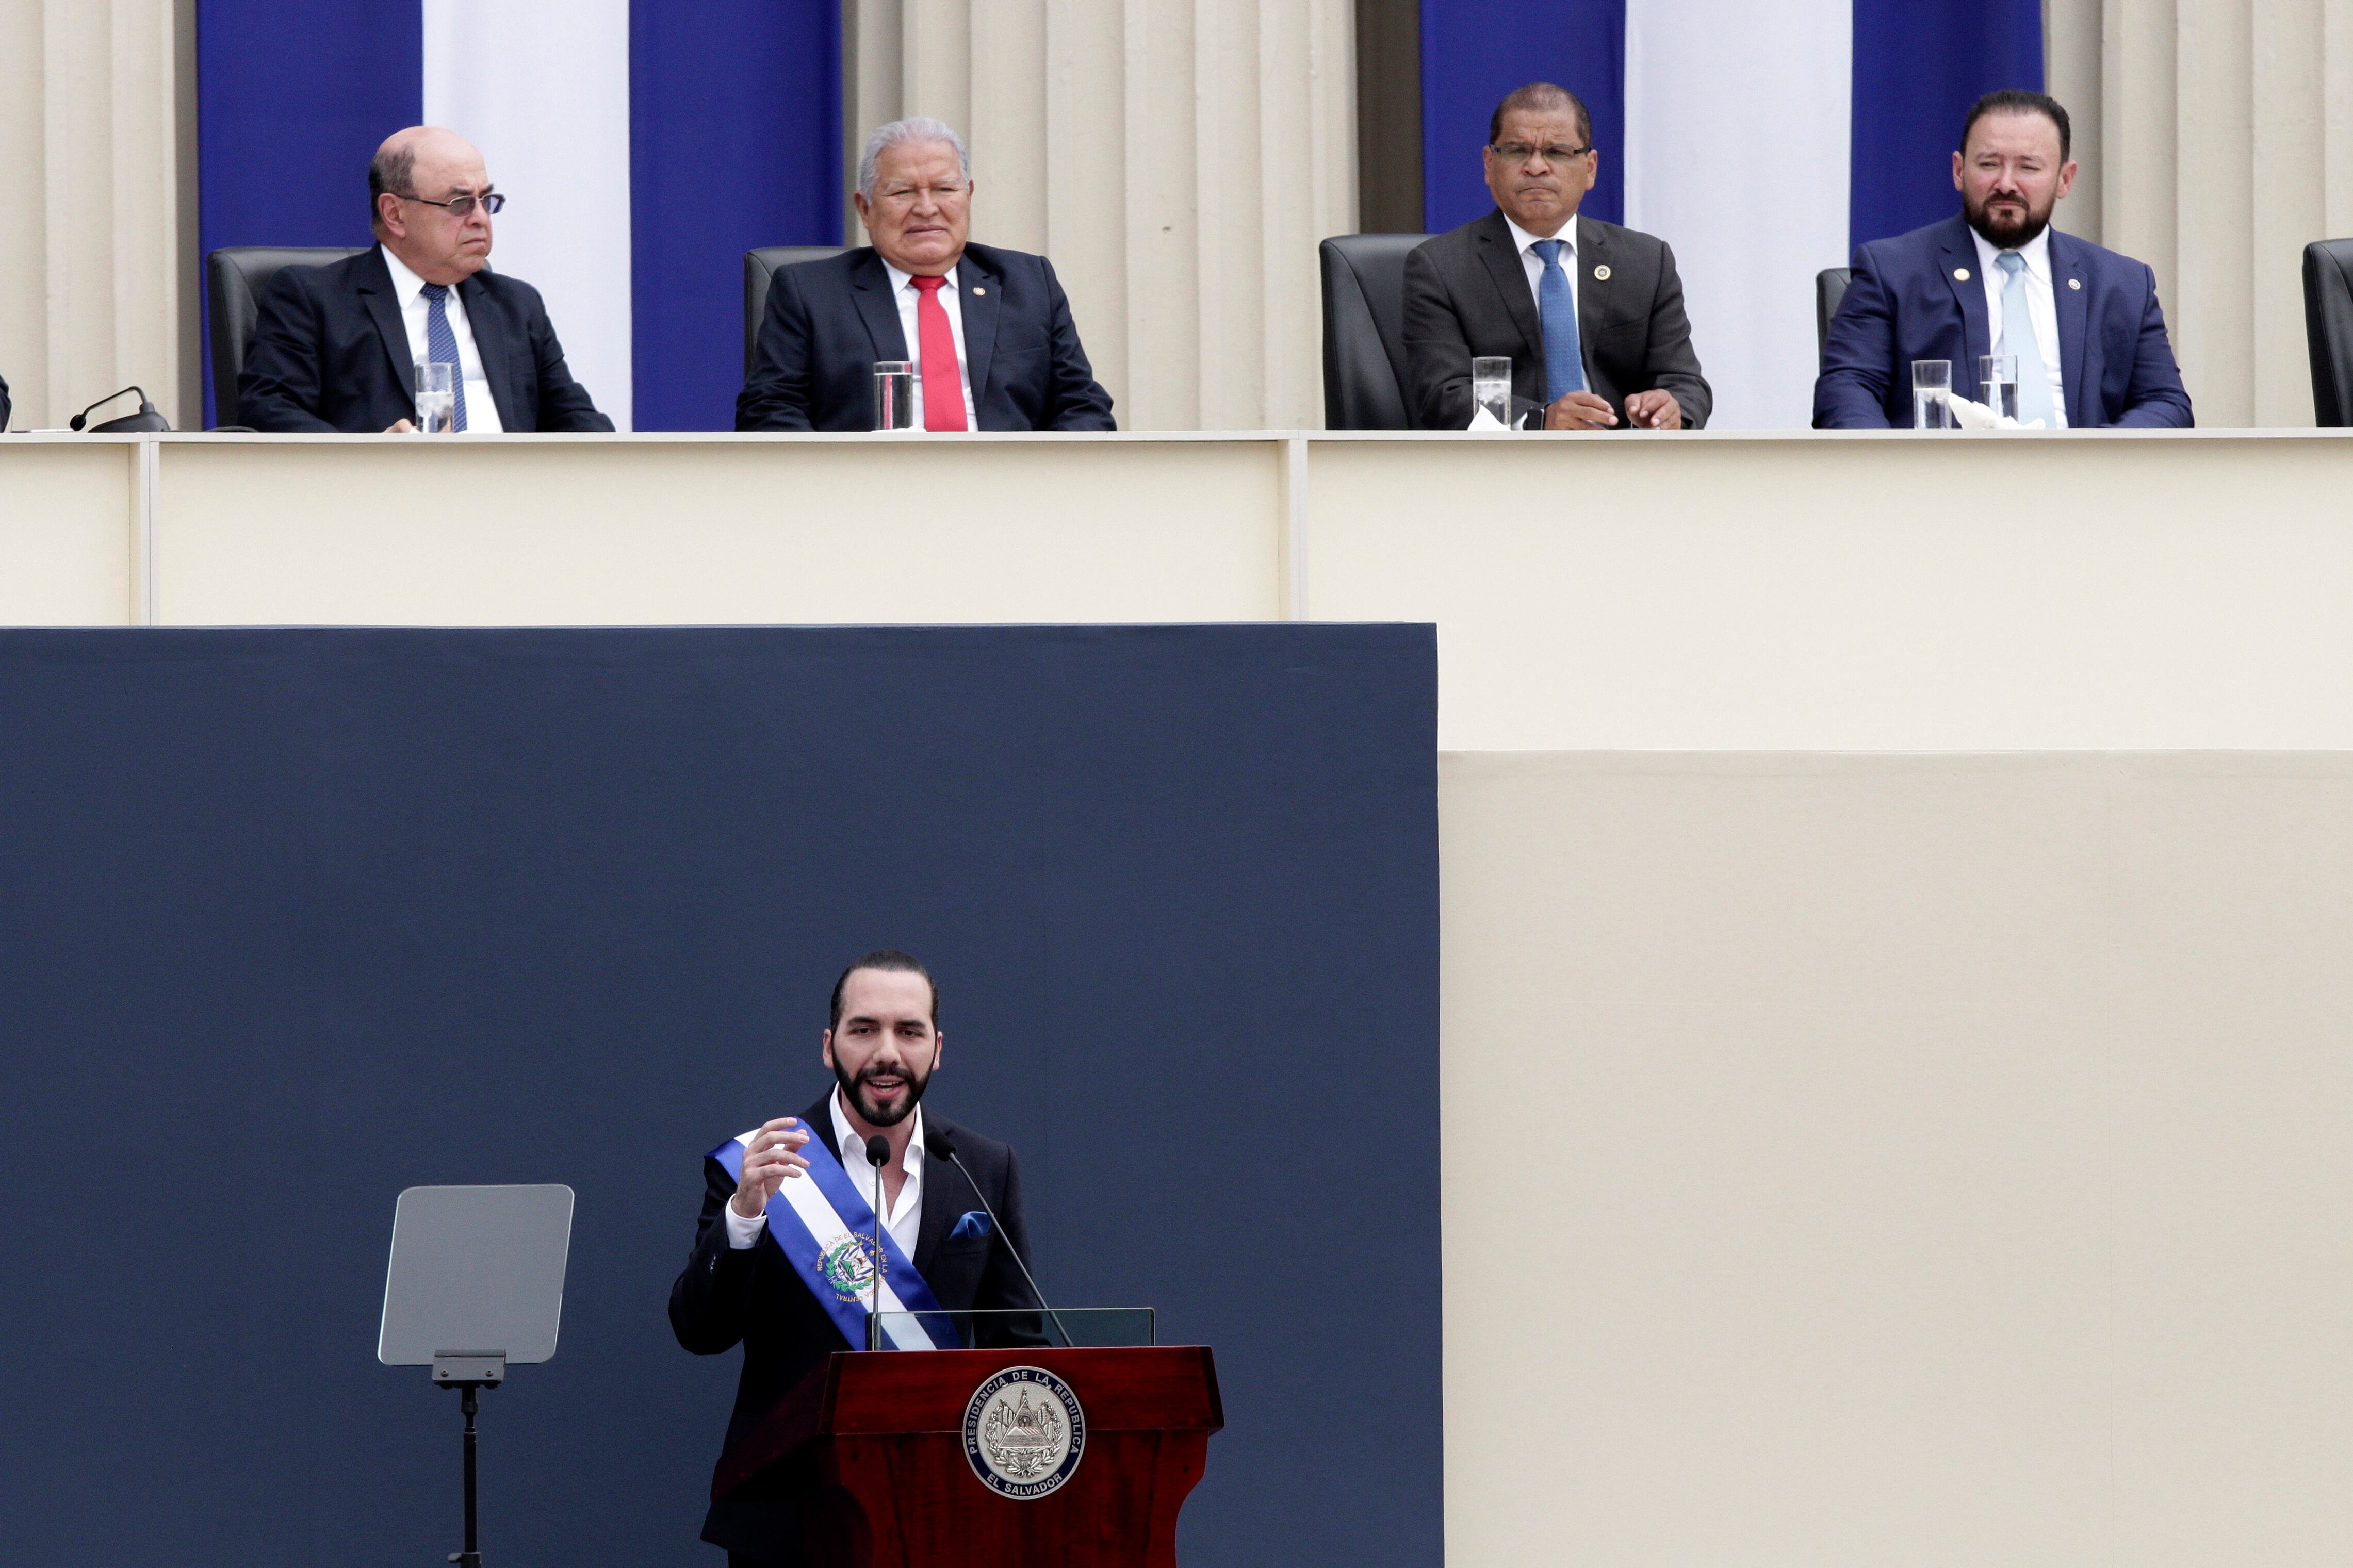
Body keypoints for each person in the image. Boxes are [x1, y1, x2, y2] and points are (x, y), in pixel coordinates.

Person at [669, 950, 1044, 1565]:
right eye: (864, 1028)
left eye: (909, 1030)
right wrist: (743, 1215)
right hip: (790, 1517)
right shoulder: (763, 1164)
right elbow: (698, 1330)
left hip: (942, 1504)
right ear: (829, 1045)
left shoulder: (982, 1167)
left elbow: (1020, 1341)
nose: (886, 1052)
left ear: (937, 1047)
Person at [1815, 90, 2193, 429]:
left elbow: (2166, 403)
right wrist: (1899, 473)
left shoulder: (2123, 282)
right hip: (1941, 489)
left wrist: (2097, 459)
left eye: (2029, 167)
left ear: (2065, 179)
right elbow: (1847, 390)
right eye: (1990, 164)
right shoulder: (1893, 270)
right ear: (1959, 171)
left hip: (2081, 488)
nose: (2007, 184)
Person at [738, 118, 1115, 432]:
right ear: (865, 208)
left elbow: (1083, 406)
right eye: (902, 192)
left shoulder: (1029, 282)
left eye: (944, 189)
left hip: (1008, 493)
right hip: (866, 497)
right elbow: (770, 412)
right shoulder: (809, 293)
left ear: (967, 195)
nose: (926, 208)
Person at [237, 126, 612, 433]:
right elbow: (268, 412)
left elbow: (577, 421)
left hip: (512, 504)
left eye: (487, 200)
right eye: (460, 204)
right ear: (395, 214)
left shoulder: (516, 305)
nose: (481, 218)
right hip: (380, 508)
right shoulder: (314, 299)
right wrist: (366, 455)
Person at [1403, 82, 1710, 432]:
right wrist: (1541, 420)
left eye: (1558, 152)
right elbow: (1443, 396)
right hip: (1503, 471)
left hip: (1623, 470)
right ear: (1490, 164)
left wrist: (1670, 410)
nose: (1536, 167)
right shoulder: (1441, 267)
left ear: (1590, 168)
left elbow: (1687, 384)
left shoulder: (1646, 261)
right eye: (1517, 151)